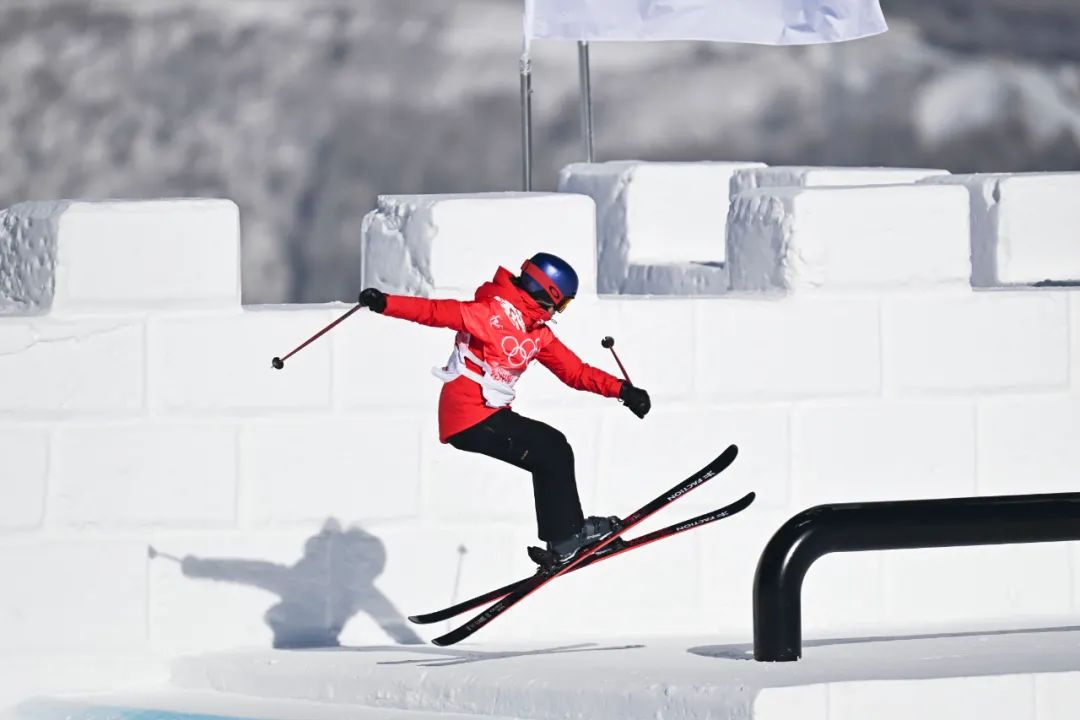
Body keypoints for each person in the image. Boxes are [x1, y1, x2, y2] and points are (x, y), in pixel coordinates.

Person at [358, 252, 652, 564]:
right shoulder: (489, 313)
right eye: (562, 303)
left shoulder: (535, 332)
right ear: (547, 293)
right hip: (468, 417)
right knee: (552, 449)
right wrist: (384, 303)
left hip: (489, 415)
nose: (560, 311)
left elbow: (575, 372)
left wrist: (622, 389)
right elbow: (432, 312)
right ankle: (567, 538)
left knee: (551, 451)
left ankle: (567, 534)